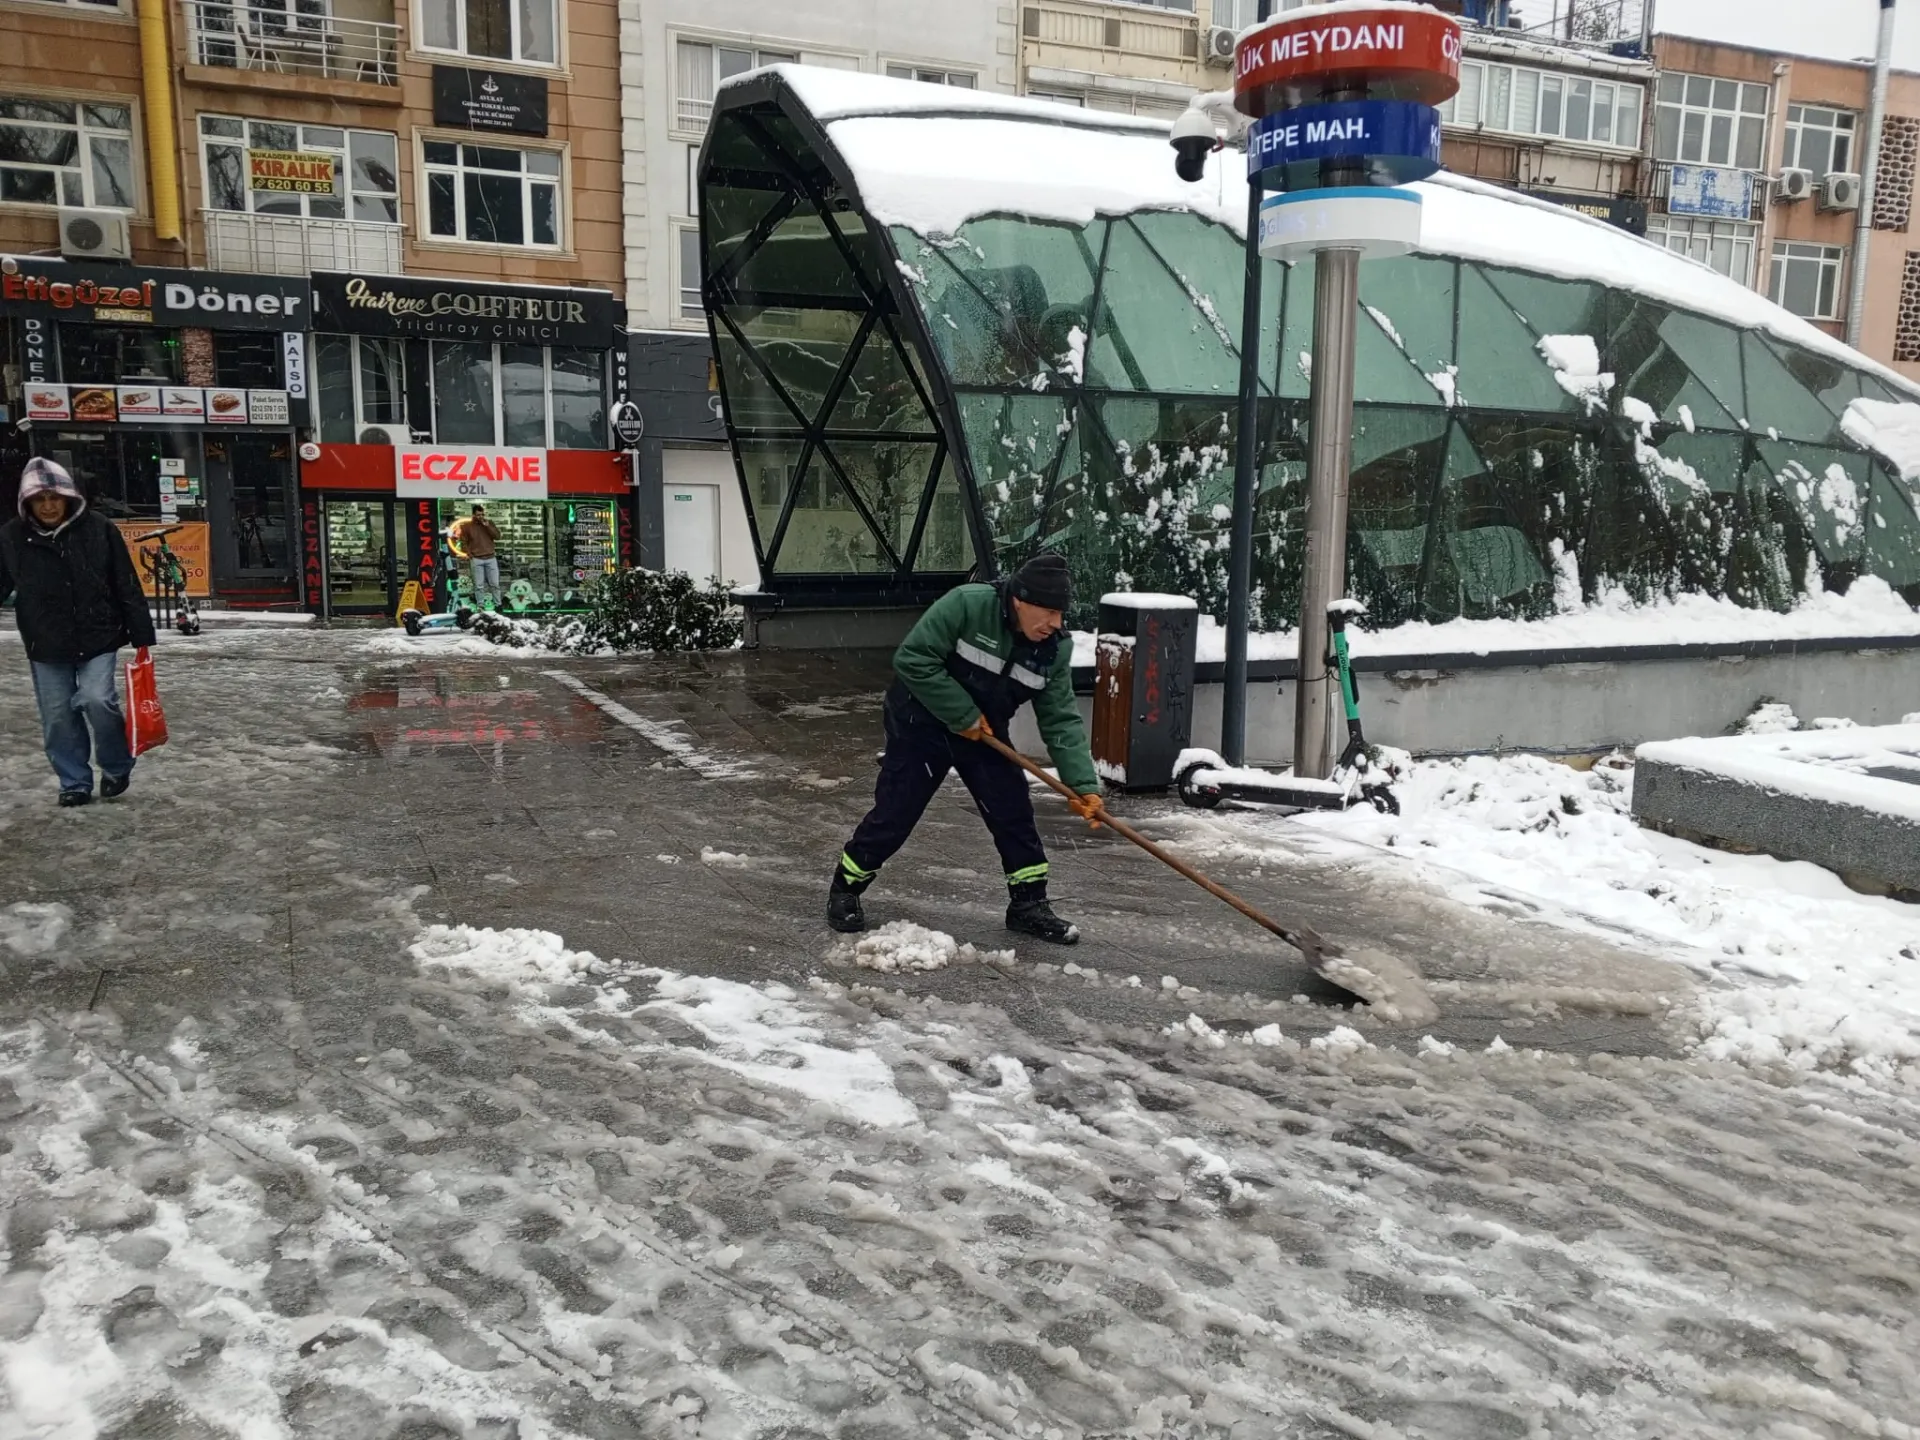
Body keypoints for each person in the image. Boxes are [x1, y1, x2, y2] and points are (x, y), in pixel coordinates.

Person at [829, 552, 1105, 945]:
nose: (1055, 623)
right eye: (1047, 611)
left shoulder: (1052, 649)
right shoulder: (967, 605)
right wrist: (961, 713)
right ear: (1019, 600)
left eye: (1061, 613)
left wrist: (1082, 785)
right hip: (919, 722)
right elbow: (914, 659)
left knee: (1013, 812)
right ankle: (846, 888)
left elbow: (1060, 718)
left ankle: (1028, 905)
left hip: (985, 732)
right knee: (896, 811)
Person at [0, 457, 157, 807]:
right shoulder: (12, 536)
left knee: (96, 699)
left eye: (54, 497)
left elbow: (125, 583)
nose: (48, 506)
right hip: (45, 639)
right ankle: (74, 781)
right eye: (39, 500)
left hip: (98, 633)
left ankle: (116, 766)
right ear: (27, 503)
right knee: (57, 715)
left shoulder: (98, 528)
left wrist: (142, 635)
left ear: (68, 497)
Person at [449, 503, 501, 610]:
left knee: (495, 584)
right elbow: (463, 542)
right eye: (478, 515)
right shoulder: (467, 526)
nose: (480, 517)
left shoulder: (489, 523)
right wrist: (469, 553)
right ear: (473, 515)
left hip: (491, 557)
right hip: (477, 558)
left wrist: (488, 527)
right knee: (478, 585)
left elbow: (497, 536)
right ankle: (480, 605)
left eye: (482, 514)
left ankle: (498, 604)